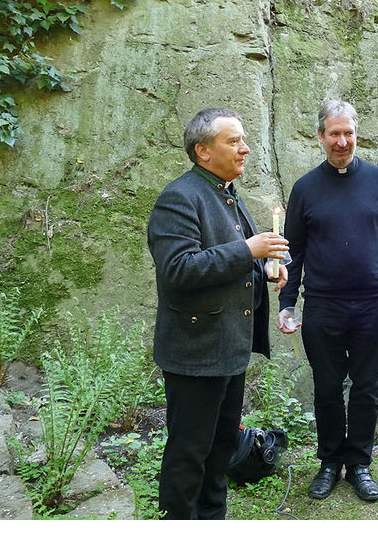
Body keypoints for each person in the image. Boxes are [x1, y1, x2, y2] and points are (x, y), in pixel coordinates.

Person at [148, 107, 290, 520]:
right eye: (234, 141)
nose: (245, 149)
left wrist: (264, 267)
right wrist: (249, 250)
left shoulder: (226, 193)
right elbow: (178, 269)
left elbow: (228, 259)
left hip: (228, 348)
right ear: (203, 151)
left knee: (221, 448)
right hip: (196, 352)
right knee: (189, 454)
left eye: (243, 140)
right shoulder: (180, 196)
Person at [277, 100, 378, 502]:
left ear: (357, 134)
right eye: (334, 134)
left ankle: (359, 463)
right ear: (320, 136)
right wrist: (288, 303)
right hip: (323, 306)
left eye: (349, 133)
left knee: (366, 386)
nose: (342, 142)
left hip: (373, 304)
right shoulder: (305, 188)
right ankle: (329, 462)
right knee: (325, 387)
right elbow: (295, 252)